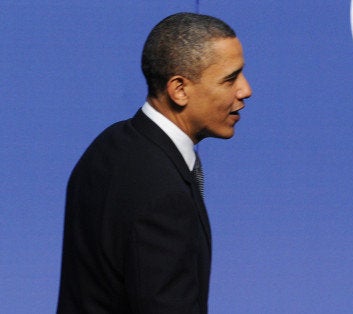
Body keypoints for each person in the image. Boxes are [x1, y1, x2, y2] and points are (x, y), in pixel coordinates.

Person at [57, 12, 252, 313]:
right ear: (179, 89)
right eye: (230, 79)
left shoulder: (107, 146)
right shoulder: (164, 196)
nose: (245, 90)